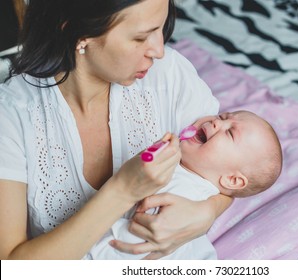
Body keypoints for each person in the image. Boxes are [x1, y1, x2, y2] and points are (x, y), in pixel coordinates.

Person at [0, 0, 233, 260]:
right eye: (140, 37)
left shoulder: (170, 74)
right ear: (78, 33)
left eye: (162, 28)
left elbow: (234, 170)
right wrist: (122, 191)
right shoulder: (10, 116)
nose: (158, 51)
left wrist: (208, 212)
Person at [86, 110, 283, 259]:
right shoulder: (183, 176)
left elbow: (126, 248)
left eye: (230, 133)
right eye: (223, 117)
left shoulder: (181, 192)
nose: (217, 122)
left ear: (232, 180)